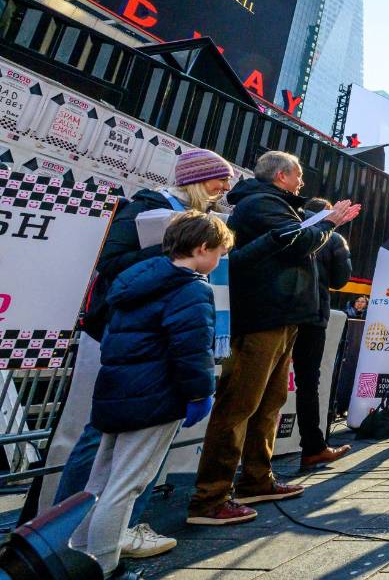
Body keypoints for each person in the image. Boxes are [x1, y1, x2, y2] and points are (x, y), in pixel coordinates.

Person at [57, 148, 235, 560]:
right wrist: (175, 252)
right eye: (217, 180)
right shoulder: (149, 205)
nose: (223, 189)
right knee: (104, 450)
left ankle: (111, 533)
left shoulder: (201, 235)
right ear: (195, 179)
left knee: (129, 458)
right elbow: (110, 262)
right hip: (134, 342)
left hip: (153, 344)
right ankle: (69, 533)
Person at [188, 151, 361, 526]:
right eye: (298, 176)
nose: (302, 183)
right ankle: (210, 497)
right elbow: (295, 243)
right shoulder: (261, 204)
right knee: (240, 404)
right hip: (263, 317)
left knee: (270, 402)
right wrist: (328, 222)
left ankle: (257, 478)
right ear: (282, 175)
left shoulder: (276, 204)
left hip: (283, 316)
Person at [296, 198, 354, 469]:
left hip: (278, 311)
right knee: (309, 382)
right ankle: (313, 446)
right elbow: (342, 279)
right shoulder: (334, 238)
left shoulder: (290, 224)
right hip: (313, 313)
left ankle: (254, 456)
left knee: (265, 383)